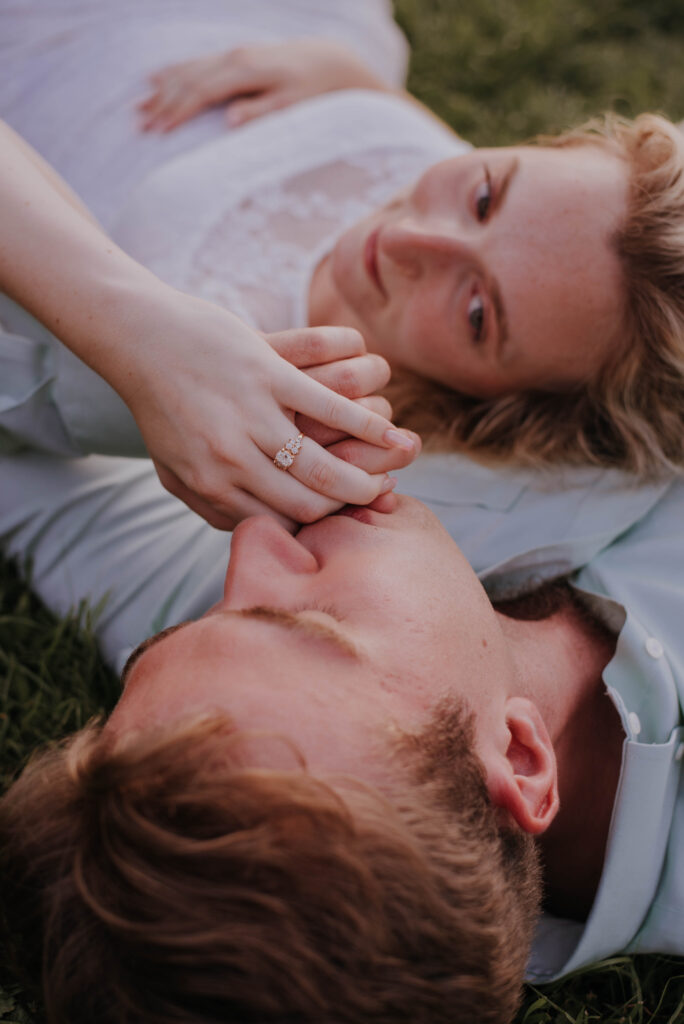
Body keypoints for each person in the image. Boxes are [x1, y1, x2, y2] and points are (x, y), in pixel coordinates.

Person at [1, 445, 683, 1023]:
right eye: (317, 626)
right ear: (518, 756)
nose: (254, 540)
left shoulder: (206, 660)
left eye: (170, 640)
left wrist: (155, 351)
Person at [3, 0, 684, 501]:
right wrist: (357, 80)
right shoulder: (540, 237)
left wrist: (136, 332)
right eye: (484, 193)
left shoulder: (256, 394)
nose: (409, 240)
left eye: (477, 311)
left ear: (512, 406)